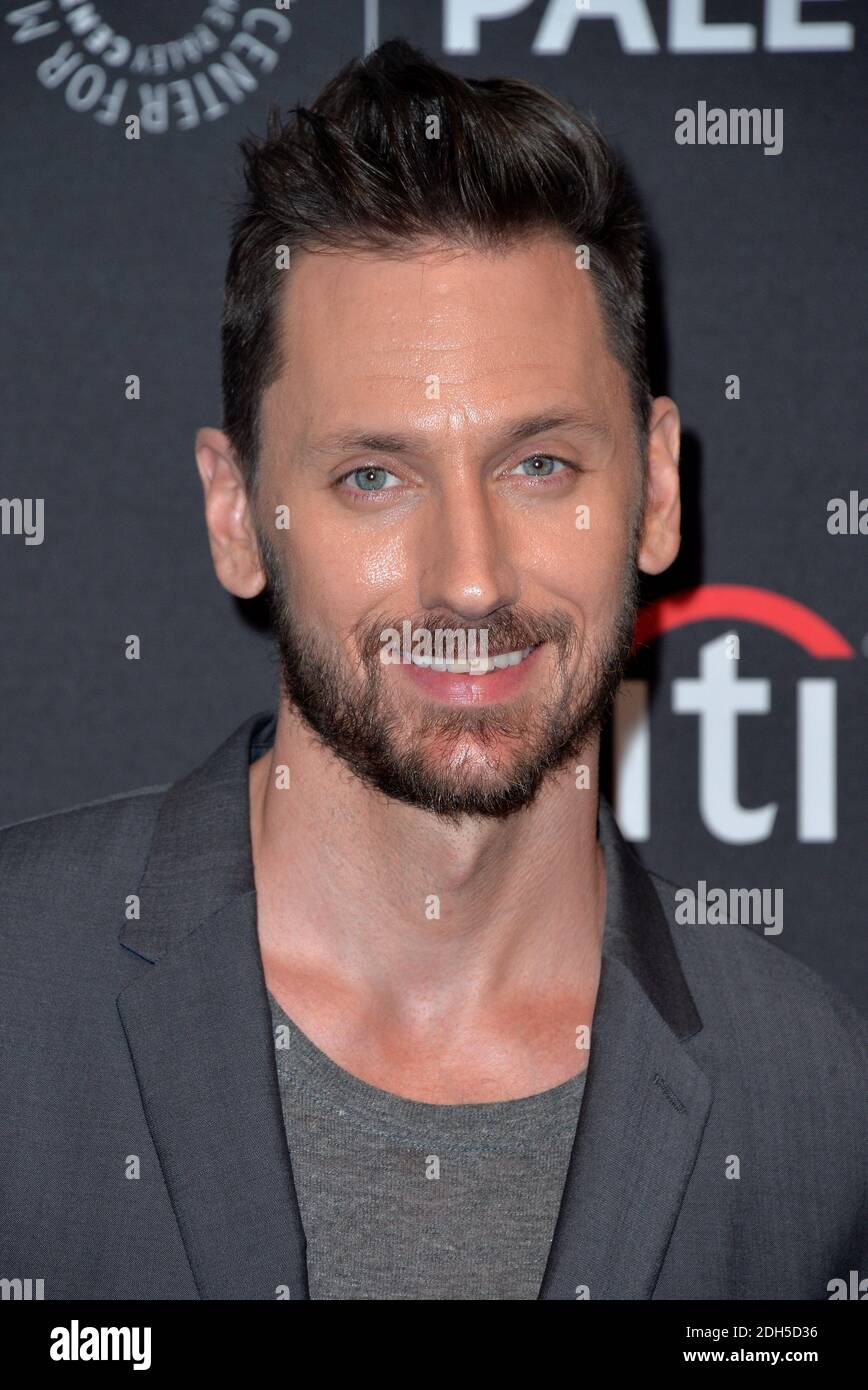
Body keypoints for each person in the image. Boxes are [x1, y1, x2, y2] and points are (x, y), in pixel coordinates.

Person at [1, 39, 864, 1302]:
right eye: (372, 476)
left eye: (540, 465)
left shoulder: (817, 1109)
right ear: (237, 515)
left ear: (659, 486)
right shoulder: (18, 995)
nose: (469, 577)